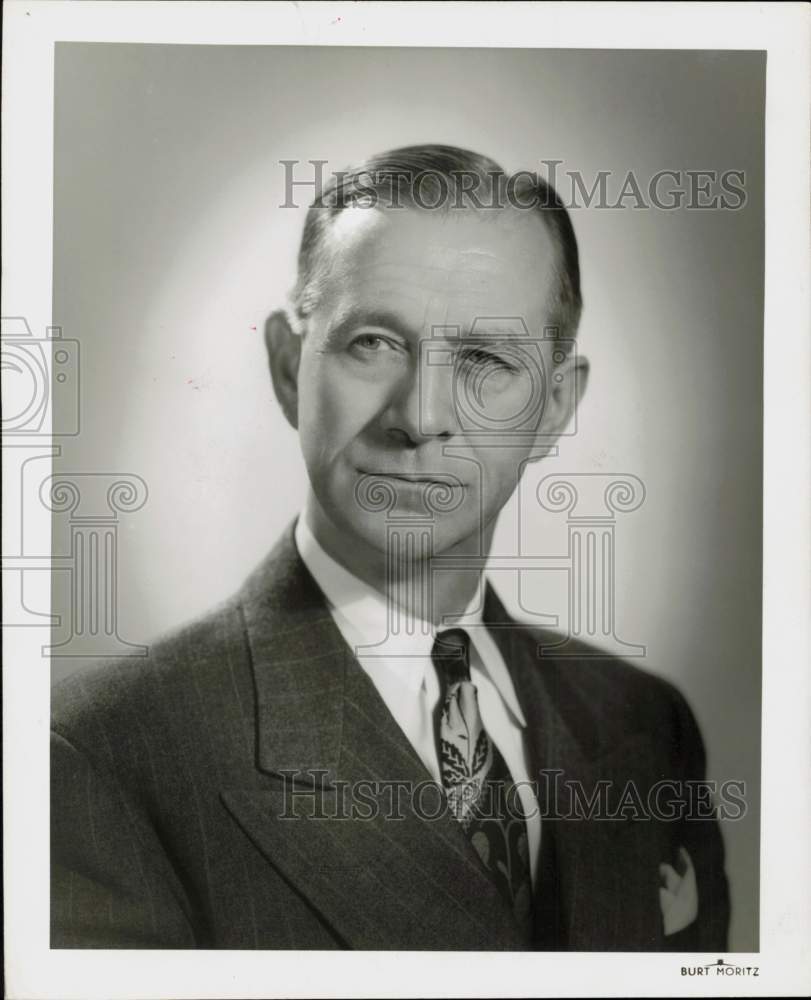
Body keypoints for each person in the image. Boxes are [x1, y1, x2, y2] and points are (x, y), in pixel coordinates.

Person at [51, 145, 730, 951]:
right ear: (286, 366)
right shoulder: (103, 757)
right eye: (373, 342)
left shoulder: (645, 726)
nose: (420, 414)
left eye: (484, 359)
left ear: (554, 407)